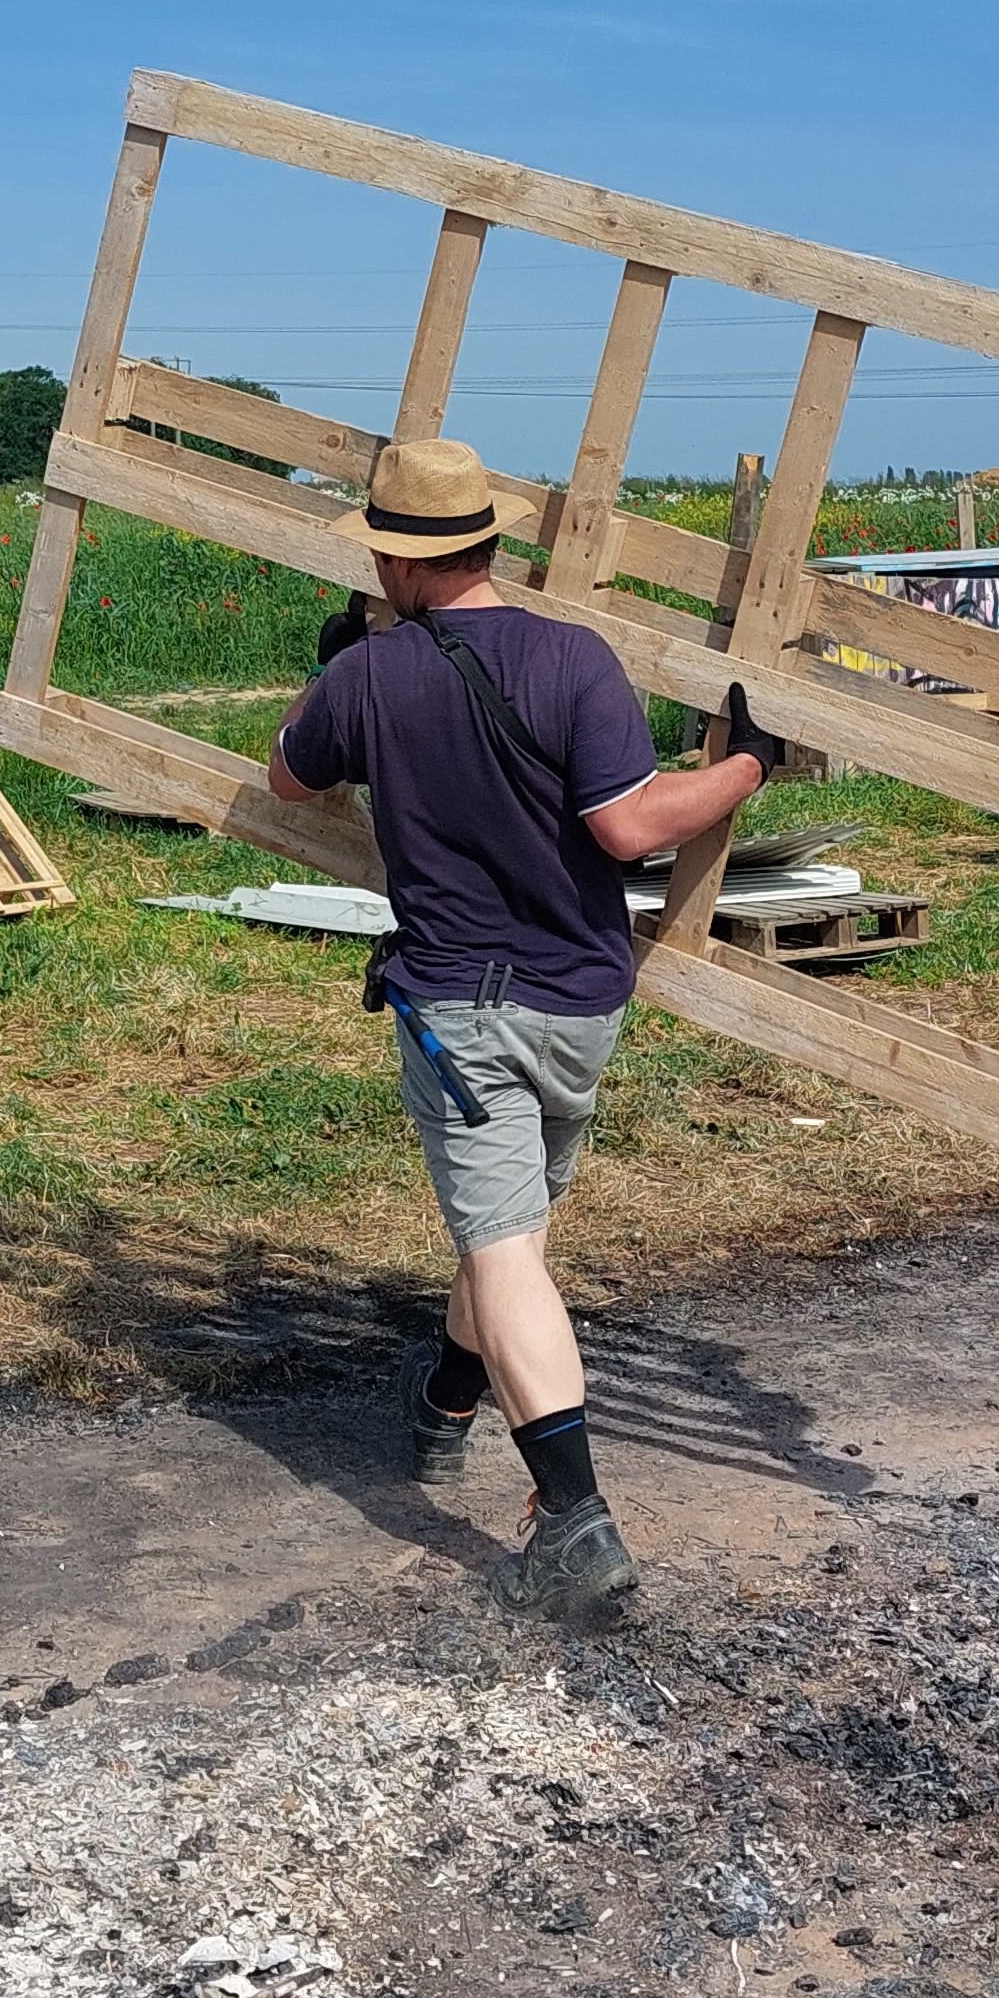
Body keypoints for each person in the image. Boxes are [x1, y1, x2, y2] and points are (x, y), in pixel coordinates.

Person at [267, 432, 785, 1627]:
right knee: (515, 1235)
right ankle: (444, 1401)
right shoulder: (573, 661)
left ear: (396, 563)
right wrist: (747, 764)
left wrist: (333, 669)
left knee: (502, 1250)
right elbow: (632, 825)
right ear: (491, 539)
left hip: (460, 1013)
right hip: (579, 1003)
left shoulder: (367, 680)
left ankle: (573, 1520)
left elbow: (293, 784)